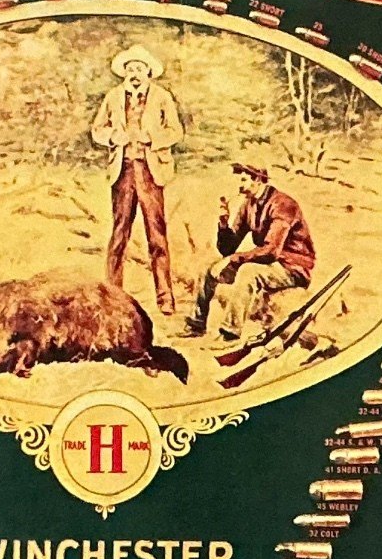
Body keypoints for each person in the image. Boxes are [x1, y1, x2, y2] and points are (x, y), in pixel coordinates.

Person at [91, 45, 185, 316]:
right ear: (124, 73)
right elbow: (97, 129)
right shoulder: (113, 97)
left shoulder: (162, 97)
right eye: (130, 69)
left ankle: (165, 297)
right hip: (122, 172)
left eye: (139, 69)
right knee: (119, 234)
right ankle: (112, 296)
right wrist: (112, 137)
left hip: (151, 173)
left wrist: (152, 138)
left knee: (157, 236)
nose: (135, 74)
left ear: (148, 72)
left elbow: (176, 131)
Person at [189, 160, 316, 342]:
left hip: (292, 267)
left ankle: (230, 333)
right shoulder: (248, 205)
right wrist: (224, 224)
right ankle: (196, 324)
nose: (239, 185)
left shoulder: (283, 205)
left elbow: (271, 251)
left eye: (243, 180)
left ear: (257, 179)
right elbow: (228, 249)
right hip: (268, 263)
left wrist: (234, 259)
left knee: (248, 272)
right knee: (207, 269)